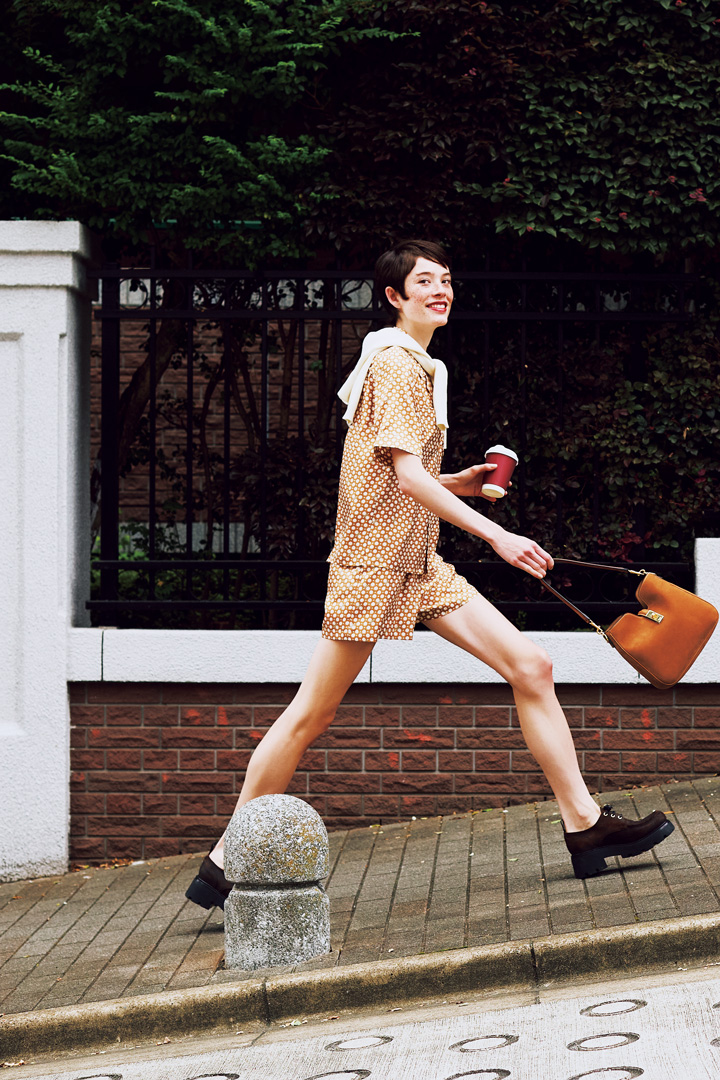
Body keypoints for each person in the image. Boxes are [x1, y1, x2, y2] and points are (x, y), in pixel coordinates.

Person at [186, 239, 673, 909]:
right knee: (311, 714)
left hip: (418, 562)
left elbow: (395, 475)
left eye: (445, 279)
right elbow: (407, 477)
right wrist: (498, 535)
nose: (440, 290)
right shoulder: (394, 362)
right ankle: (224, 861)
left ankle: (585, 824)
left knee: (531, 667)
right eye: (424, 282)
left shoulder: (413, 363)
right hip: (373, 565)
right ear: (395, 296)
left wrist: (461, 484)